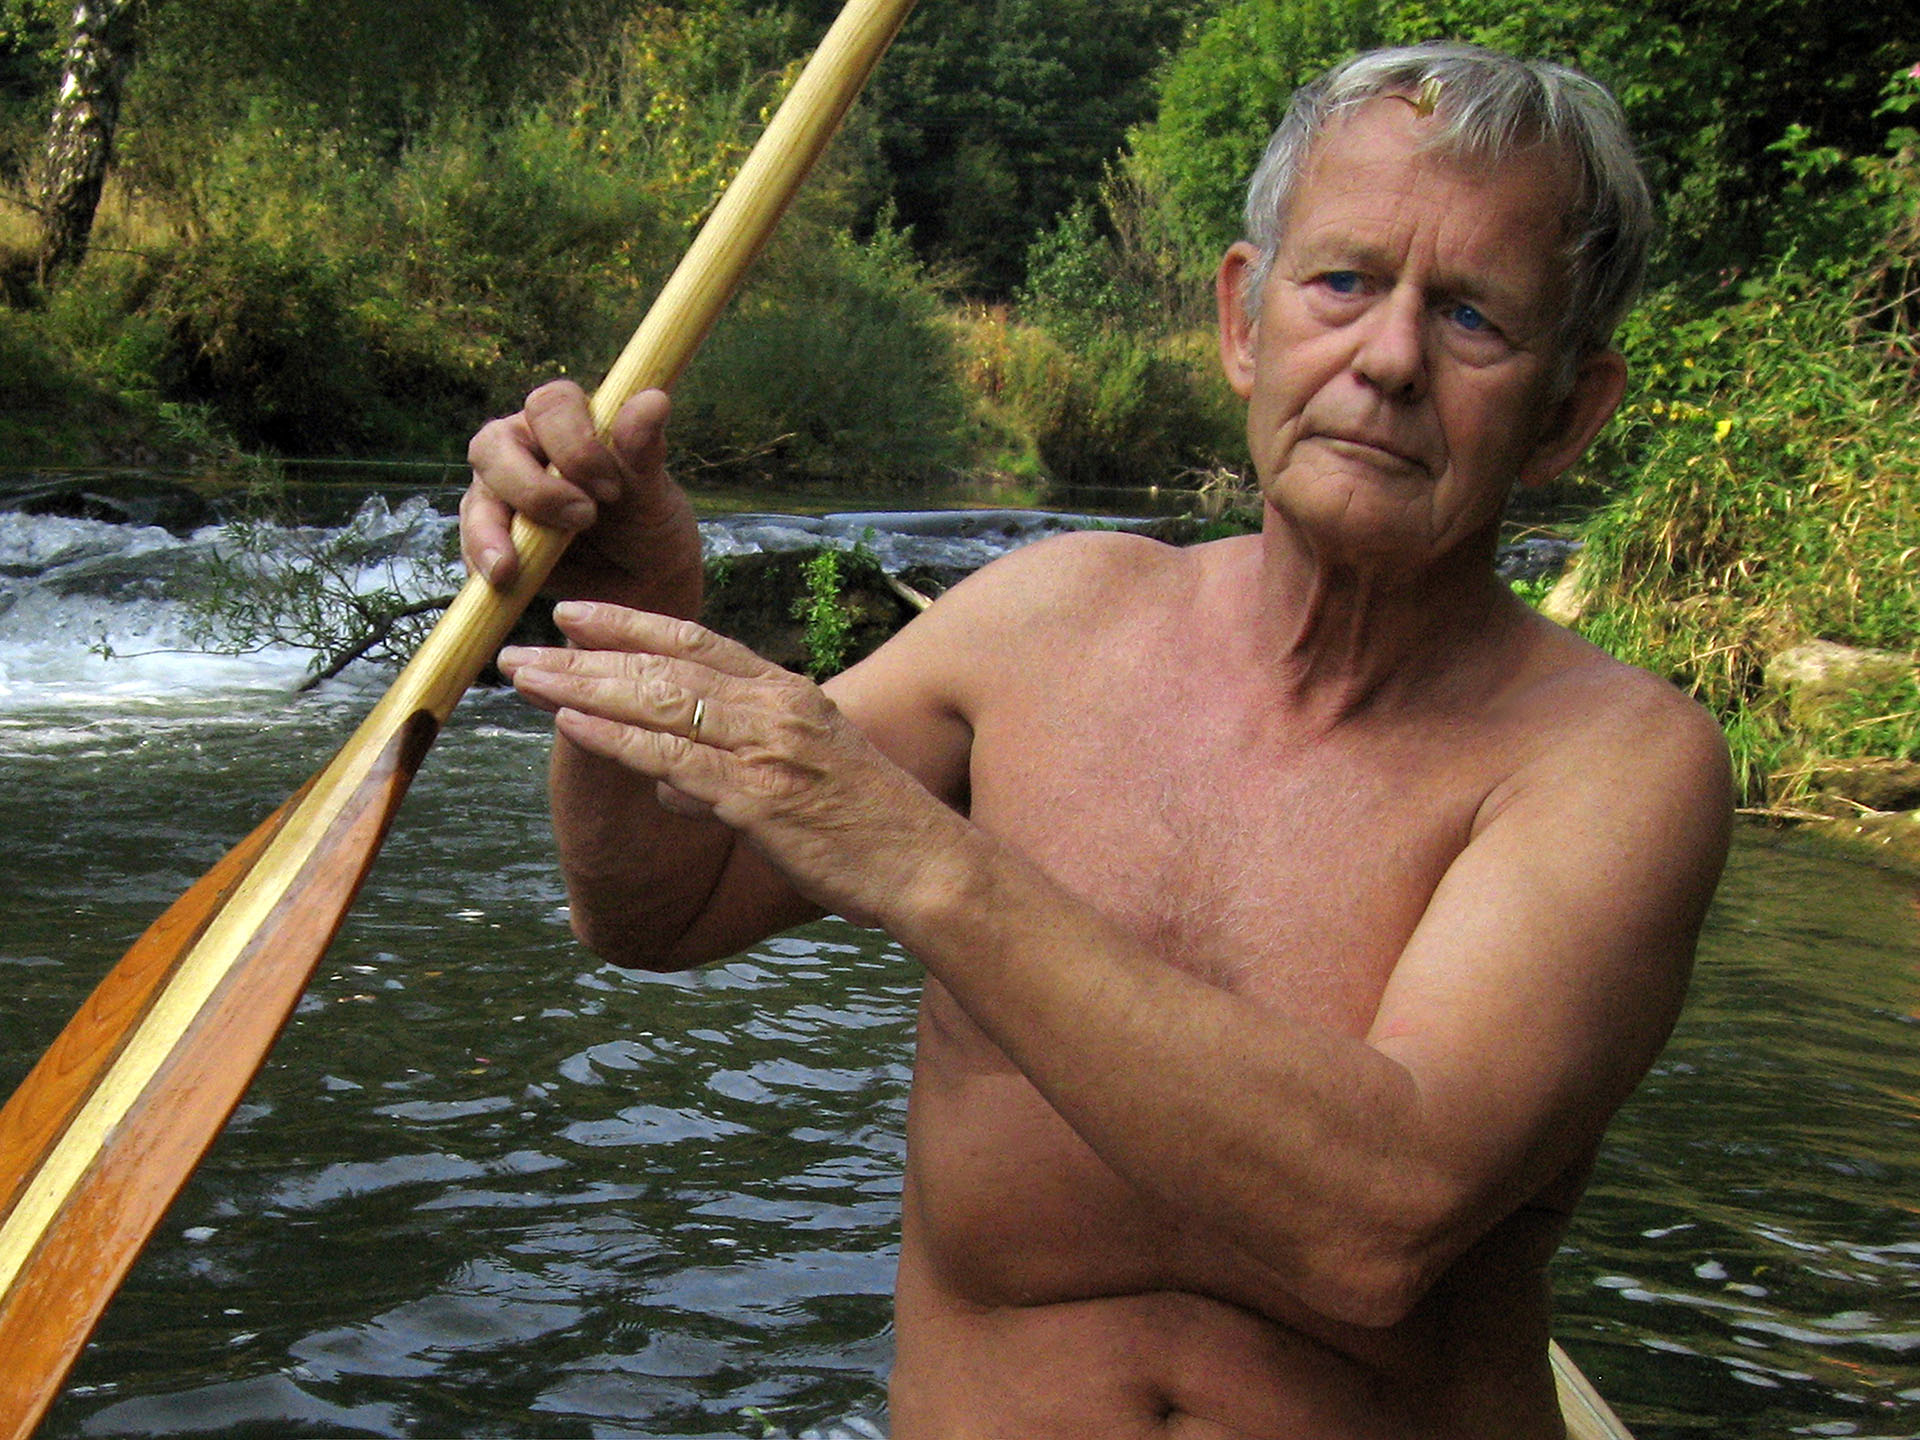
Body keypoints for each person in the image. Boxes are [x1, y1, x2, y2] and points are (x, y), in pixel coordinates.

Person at [461, 42, 1732, 1439]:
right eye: (1346, 283)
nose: (1388, 360)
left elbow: (1380, 1223)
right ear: (1247, 321)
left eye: (1474, 318)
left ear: (1569, 413)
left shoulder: (1619, 763)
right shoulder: (1042, 623)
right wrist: (619, 624)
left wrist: (914, 857)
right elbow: (653, 904)